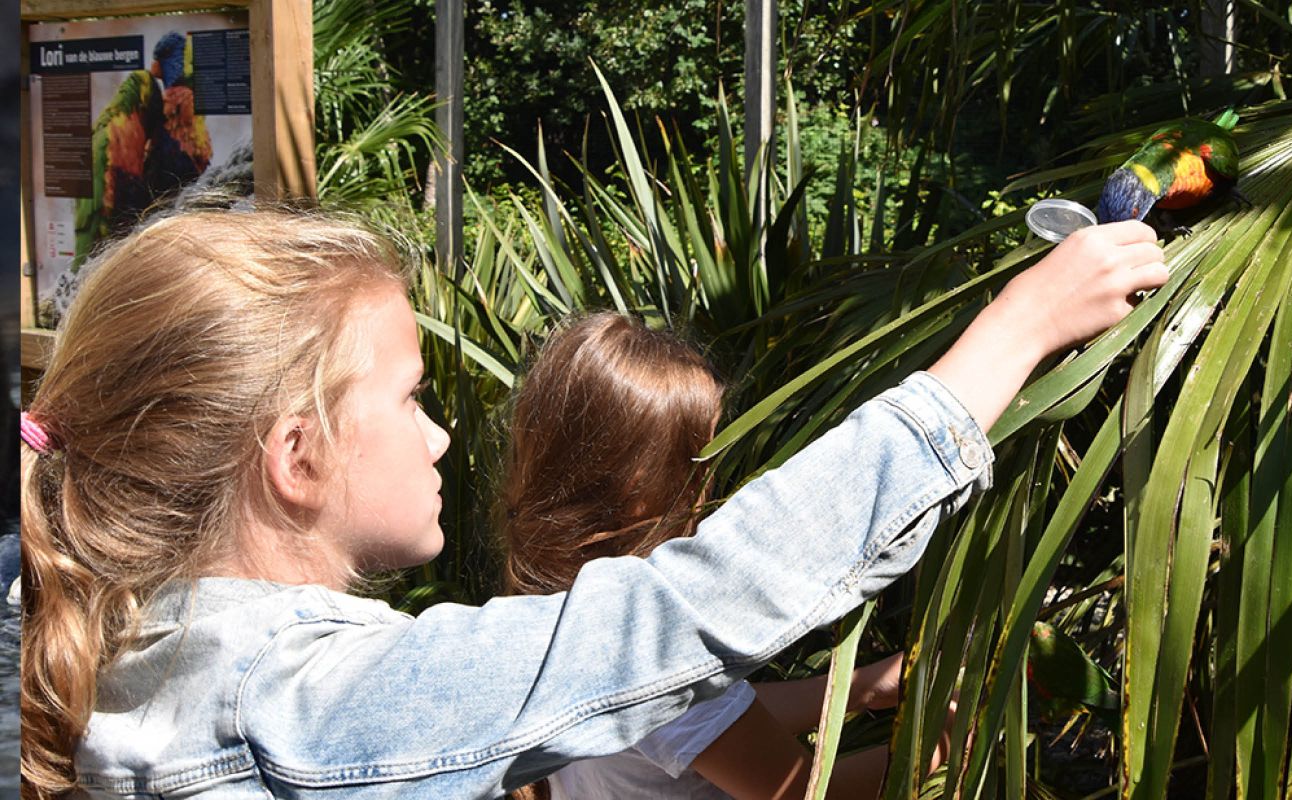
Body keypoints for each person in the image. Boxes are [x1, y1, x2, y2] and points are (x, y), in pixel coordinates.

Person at [19, 207, 1166, 798]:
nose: (442, 432)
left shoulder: (144, 645)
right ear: (297, 455)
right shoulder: (302, 699)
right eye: (413, 398)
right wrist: (1016, 328)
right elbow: (681, 612)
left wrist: (865, 684)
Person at [499, 312, 912, 799]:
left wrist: (864, 688)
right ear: (643, 488)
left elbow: (714, 721)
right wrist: (945, 736)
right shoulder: (652, 640)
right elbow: (814, 793)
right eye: (705, 457)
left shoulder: (560, 603)